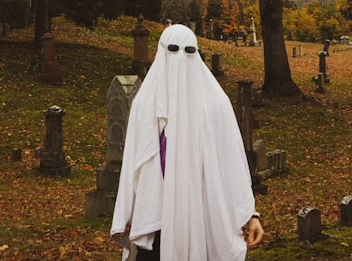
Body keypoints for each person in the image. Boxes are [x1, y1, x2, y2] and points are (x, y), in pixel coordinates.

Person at [111, 24, 264, 260]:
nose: (181, 59)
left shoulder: (216, 103)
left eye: (189, 51)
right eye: (173, 50)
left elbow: (232, 164)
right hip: (156, 224)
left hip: (204, 217)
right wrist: (126, 213)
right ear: (162, 53)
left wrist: (250, 214)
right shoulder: (145, 104)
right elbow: (134, 161)